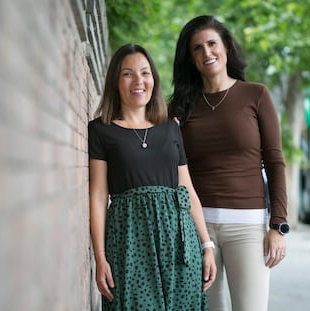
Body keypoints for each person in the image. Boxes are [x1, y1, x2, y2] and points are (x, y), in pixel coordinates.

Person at [168, 15, 288, 311]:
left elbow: (274, 161)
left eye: (212, 44)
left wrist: (279, 226)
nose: (206, 52)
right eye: (197, 48)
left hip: (248, 227)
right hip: (197, 228)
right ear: (190, 58)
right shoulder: (180, 107)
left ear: (226, 48)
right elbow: (170, 168)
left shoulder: (256, 95)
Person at [88, 43, 217, 310]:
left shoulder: (171, 128)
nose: (138, 81)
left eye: (145, 73)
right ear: (115, 81)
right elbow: (99, 196)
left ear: (153, 80)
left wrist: (206, 245)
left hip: (179, 241)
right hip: (128, 239)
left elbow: (188, 190)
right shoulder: (101, 131)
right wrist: (100, 256)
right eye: (128, 74)